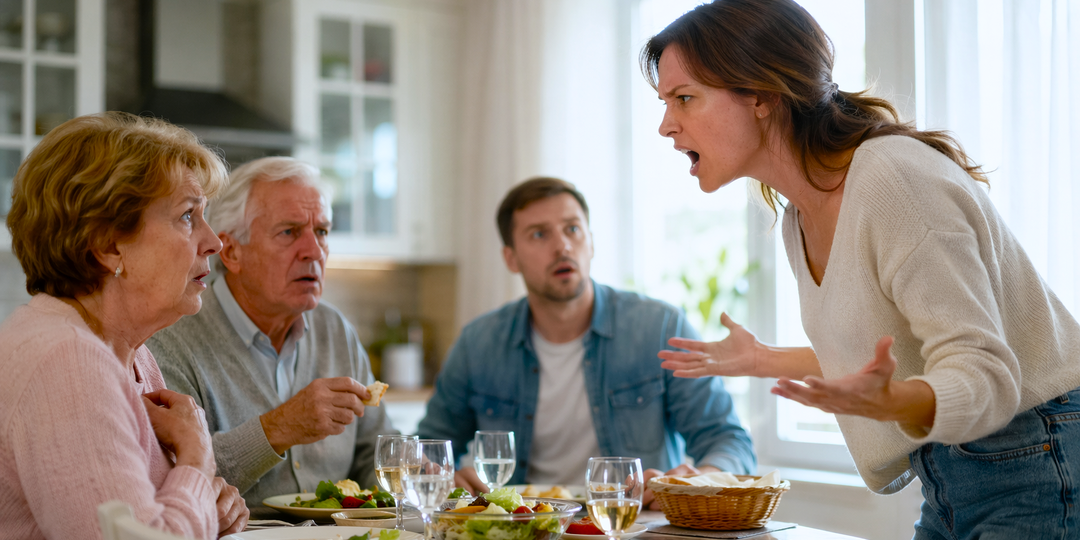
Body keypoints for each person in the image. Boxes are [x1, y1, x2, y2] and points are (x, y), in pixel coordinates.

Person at [644, 0, 1080, 538]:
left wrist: (894, 401)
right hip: (952, 472)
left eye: (684, 98)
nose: (666, 126)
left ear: (760, 94)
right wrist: (763, 360)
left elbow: (985, 375)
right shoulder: (799, 216)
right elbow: (891, 352)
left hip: (1038, 459)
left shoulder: (893, 180)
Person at [417, 177, 755, 505]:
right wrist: (439, 474)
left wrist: (697, 478)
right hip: (525, 526)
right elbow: (427, 448)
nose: (562, 246)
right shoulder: (479, 344)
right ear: (511, 258)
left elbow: (728, 440)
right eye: (539, 234)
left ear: (591, 243)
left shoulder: (660, 327)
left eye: (572, 229)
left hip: (631, 526)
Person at [0, 112, 248, 539]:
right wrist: (196, 458)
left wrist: (205, 505)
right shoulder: (66, 363)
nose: (213, 241)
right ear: (108, 245)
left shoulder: (134, 357)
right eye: (187, 216)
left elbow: (149, 515)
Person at [146, 157, 397, 517]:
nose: (314, 251)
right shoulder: (171, 339)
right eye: (289, 232)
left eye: (322, 231)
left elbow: (374, 453)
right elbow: (171, 482)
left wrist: (417, 474)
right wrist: (277, 429)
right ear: (232, 251)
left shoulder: (335, 330)